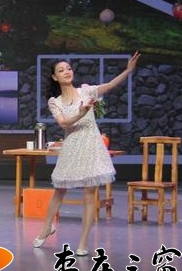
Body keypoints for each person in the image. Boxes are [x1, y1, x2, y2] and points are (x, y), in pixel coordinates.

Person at [33, 51, 140, 256]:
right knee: (59, 190)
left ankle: (83, 243)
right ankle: (47, 227)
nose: (67, 72)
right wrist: (80, 113)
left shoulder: (87, 91)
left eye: (68, 68)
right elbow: (64, 123)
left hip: (91, 146)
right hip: (72, 147)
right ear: (55, 77)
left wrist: (128, 71)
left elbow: (110, 85)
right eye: (61, 70)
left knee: (90, 196)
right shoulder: (55, 101)